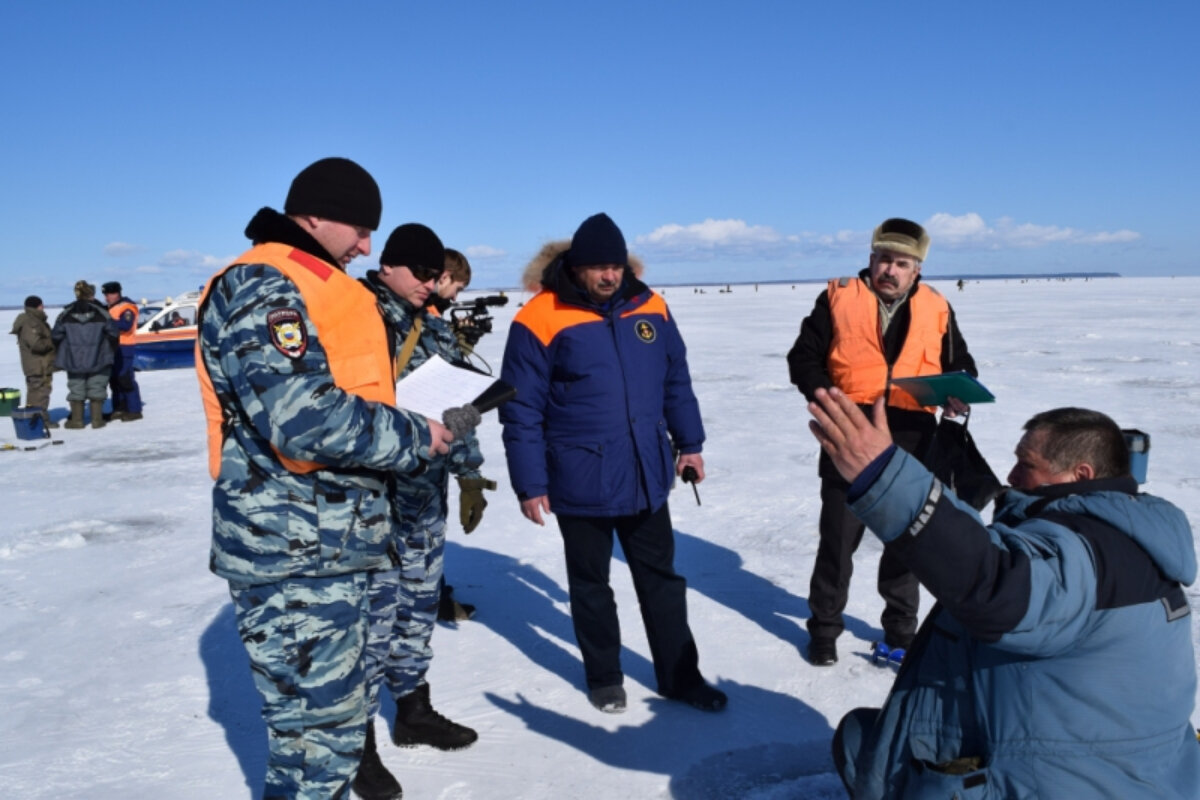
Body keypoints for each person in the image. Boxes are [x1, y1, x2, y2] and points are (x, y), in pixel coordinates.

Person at [194, 157, 453, 800]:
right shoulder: (264, 285)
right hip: (292, 553)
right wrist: (417, 435)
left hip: (329, 547)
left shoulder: (316, 282)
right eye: (360, 228)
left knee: (329, 744)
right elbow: (300, 418)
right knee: (313, 751)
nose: (367, 246)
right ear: (314, 215)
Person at [808, 391, 1200, 798]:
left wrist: (884, 478)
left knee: (862, 748)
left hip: (1067, 784)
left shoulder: (1084, 553)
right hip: (1138, 773)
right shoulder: (1132, 530)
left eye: (1027, 464)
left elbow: (995, 587)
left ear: (1080, 476)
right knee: (867, 738)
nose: (1011, 476)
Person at [499, 212, 726, 714]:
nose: (609, 276)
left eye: (616, 266)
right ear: (577, 267)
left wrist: (690, 443)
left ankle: (681, 677)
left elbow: (676, 381)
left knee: (662, 581)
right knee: (590, 585)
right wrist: (529, 483)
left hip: (646, 471)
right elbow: (521, 410)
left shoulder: (652, 307)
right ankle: (604, 677)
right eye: (598, 267)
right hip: (579, 477)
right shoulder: (540, 316)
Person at [786, 217, 977, 666]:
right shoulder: (837, 297)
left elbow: (961, 364)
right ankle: (825, 631)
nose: (889, 270)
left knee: (907, 543)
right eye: (883, 260)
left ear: (917, 270)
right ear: (871, 260)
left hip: (913, 441)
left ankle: (900, 633)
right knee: (837, 541)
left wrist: (958, 395)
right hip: (849, 432)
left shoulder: (937, 307)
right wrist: (826, 396)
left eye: (901, 263)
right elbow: (803, 358)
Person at [358, 224, 493, 762]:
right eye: (422, 272)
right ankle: (358, 741)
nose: (431, 283)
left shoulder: (430, 327)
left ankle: (412, 709)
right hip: (371, 501)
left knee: (416, 608)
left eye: (437, 275)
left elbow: (456, 409)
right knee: (371, 621)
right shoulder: (359, 319)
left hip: (423, 498)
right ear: (388, 265)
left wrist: (468, 472)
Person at [429, 247, 482, 622]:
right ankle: (427, 600)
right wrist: (469, 472)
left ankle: (432, 592)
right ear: (443, 277)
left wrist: (461, 346)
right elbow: (451, 405)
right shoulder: (426, 325)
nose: (456, 298)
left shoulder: (428, 320)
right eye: (457, 288)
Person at [52, 281, 118, 429]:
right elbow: (114, 333)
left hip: (74, 359)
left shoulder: (65, 314)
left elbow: (56, 335)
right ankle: (97, 420)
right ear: (91, 295)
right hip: (100, 357)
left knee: (76, 388)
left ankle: (77, 421)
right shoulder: (102, 313)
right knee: (97, 386)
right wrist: (108, 349)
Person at [10, 295, 57, 430]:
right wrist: (53, 341)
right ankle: (39, 422)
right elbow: (37, 345)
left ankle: (38, 420)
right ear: (37, 306)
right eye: (42, 305)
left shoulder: (35, 320)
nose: (44, 308)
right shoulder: (31, 323)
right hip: (37, 366)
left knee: (40, 393)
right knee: (38, 395)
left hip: (40, 365)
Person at [101, 281, 143, 421]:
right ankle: (119, 408)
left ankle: (134, 409)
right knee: (114, 381)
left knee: (125, 379)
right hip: (112, 348)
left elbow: (126, 325)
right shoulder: (110, 308)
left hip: (124, 347)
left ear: (117, 293)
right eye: (106, 295)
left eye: (109, 294)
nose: (107, 297)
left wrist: (107, 323)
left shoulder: (126, 307)